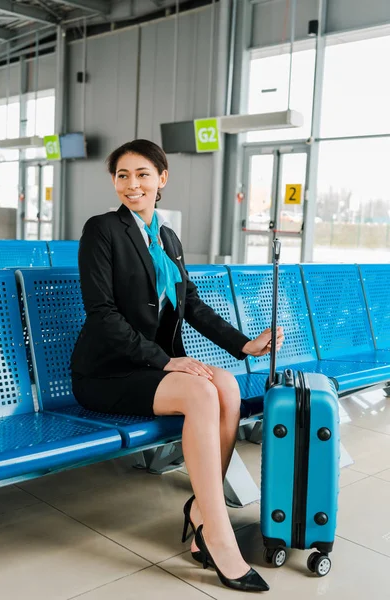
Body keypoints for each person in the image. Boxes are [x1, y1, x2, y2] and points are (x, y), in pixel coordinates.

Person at [71, 139, 284, 592]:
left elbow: (192, 306)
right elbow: (101, 314)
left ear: (162, 179)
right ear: (114, 181)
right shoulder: (102, 230)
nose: (133, 184)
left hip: (151, 368)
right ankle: (219, 534)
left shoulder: (166, 238)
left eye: (143, 174)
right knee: (201, 391)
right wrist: (167, 362)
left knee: (224, 385)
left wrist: (245, 345)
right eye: (123, 175)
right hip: (106, 372)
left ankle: (200, 512)